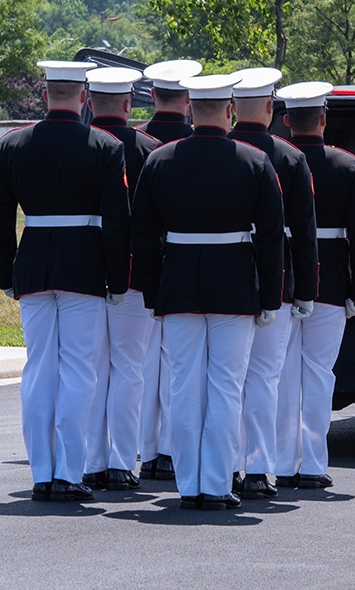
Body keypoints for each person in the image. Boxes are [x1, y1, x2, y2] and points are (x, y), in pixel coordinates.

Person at [130, 74, 284, 510]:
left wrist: (152, 293)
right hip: (234, 287)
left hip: (178, 284)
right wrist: (270, 297)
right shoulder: (254, 162)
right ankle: (216, 485)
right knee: (225, 387)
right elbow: (272, 238)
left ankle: (189, 485)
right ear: (231, 109)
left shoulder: (159, 160)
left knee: (183, 387)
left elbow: (143, 234)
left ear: (191, 110)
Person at [0, 60, 130, 502]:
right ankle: (70, 471)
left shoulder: (13, 144)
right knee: (79, 371)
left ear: (45, 95)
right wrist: (117, 278)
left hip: (33, 265)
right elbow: (117, 220)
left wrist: (7, 272)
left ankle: (43, 473)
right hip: (83, 268)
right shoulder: (105, 146)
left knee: (39, 370)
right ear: (84, 98)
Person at [273, 81, 355, 490]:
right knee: (317, 373)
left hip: (281, 278)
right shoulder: (348, 167)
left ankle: (281, 462)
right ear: (324, 119)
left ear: (287, 120)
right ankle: (312, 463)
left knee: (280, 374)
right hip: (329, 280)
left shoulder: (273, 159)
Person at [229, 68, 319, 500]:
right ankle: (260, 469)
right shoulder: (289, 157)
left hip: (228, 278)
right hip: (276, 280)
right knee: (265, 377)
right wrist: (304, 290)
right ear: (271, 108)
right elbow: (303, 233)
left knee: (226, 380)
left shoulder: (221, 150)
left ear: (231, 108)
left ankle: (225, 465)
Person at [81, 67, 160, 492]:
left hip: (90, 273)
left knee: (93, 368)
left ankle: (92, 460)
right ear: (130, 104)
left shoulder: (83, 146)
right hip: (133, 273)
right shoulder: (149, 149)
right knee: (130, 368)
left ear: (90, 102)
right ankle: (119, 461)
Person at [135, 58, 202, 482]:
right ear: (190, 100)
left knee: (143, 363)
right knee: (180, 365)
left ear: (152, 96)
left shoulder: (138, 140)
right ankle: (170, 450)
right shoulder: (199, 142)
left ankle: (145, 449)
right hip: (183, 263)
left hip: (143, 263)